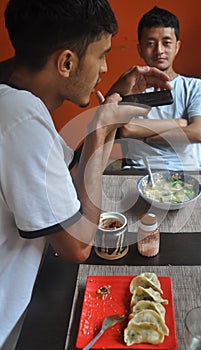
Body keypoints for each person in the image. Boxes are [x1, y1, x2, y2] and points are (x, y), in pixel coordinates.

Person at [0, 1, 170, 348]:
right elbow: (77, 243)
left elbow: (69, 180)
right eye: (102, 55)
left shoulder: (12, 95)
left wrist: (106, 120)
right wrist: (97, 135)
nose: (105, 68)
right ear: (66, 62)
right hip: (15, 322)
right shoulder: (21, 120)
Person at [117, 6, 201, 171]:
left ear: (177, 46)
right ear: (140, 49)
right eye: (150, 44)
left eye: (166, 43)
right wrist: (179, 123)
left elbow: (198, 133)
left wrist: (148, 137)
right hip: (140, 170)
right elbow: (127, 129)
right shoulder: (131, 85)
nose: (159, 51)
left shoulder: (195, 87)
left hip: (186, 170)